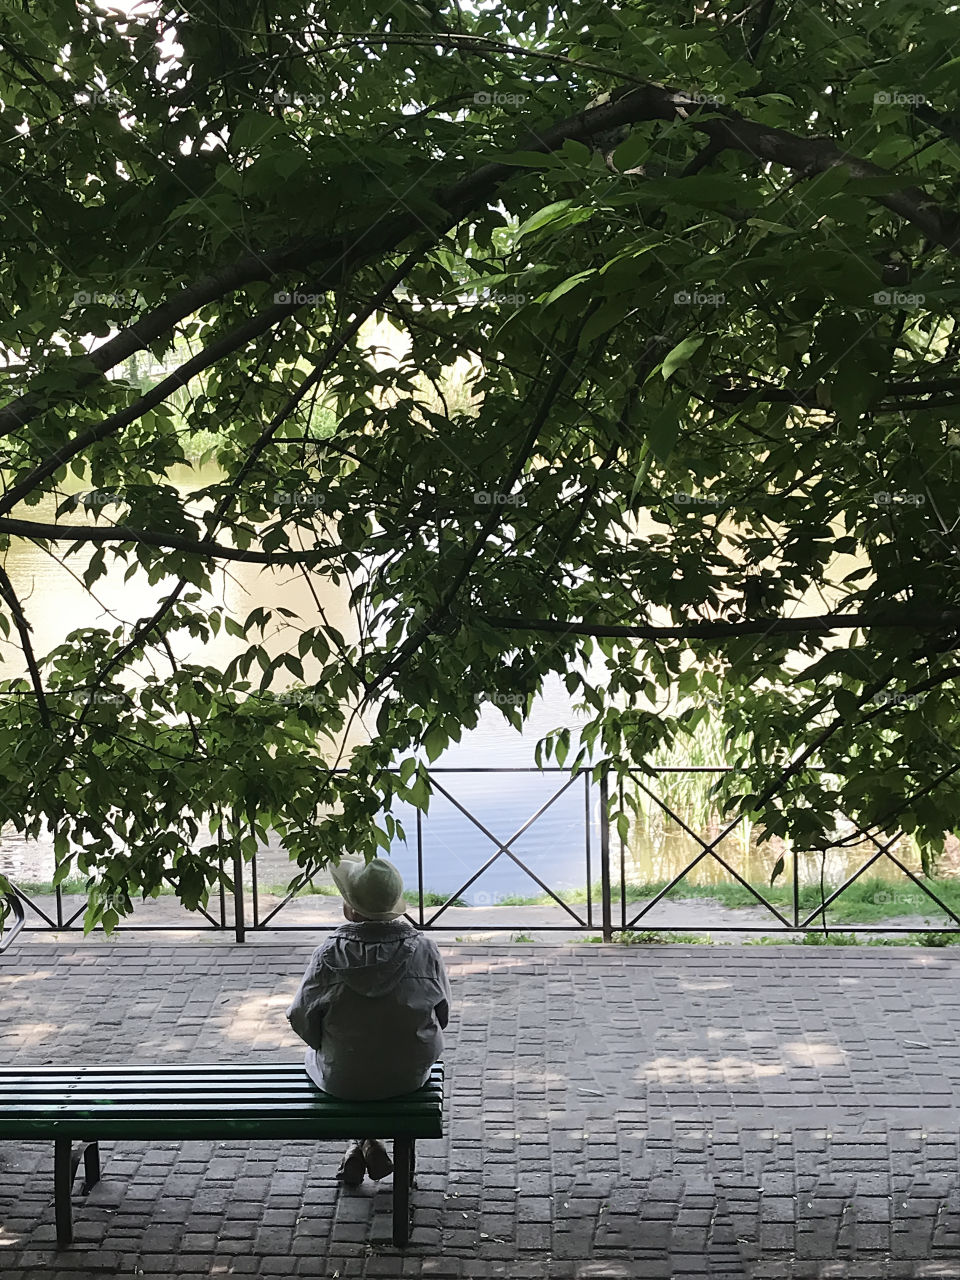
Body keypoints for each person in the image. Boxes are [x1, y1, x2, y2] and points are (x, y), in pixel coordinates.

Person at [286, 854, 451, 1186]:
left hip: (343, 1078)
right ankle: (368, 1144)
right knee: (379, 1064)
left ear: (350, 910)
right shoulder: (426, 950)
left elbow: (300, 1018)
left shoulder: (328, 955)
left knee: (335, 1062)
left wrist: (331, 1042)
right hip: (409, 1075)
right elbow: (442, 1017)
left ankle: (364, 1143)